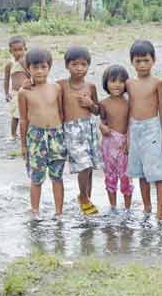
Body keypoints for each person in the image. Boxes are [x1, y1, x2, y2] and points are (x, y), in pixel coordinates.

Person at [17, 48, 66, 220]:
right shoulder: (24, 92)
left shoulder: (56, 88)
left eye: (43, 67)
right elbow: (23, 120)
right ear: (28, 68)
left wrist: (64, 137)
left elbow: (61, 113)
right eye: (35, 67)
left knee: (57, 176)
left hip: (56, 135)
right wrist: (23, 144)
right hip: (35, 137)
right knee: (36, 177)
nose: (39, 71)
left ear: (49, 67)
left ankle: (59, 212)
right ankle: (35, 211)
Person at [57, 46, 103, 216]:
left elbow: (98, 111)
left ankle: (87, 199)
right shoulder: (60, 85)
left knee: (89, 167)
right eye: (74, 64)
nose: (79, 68)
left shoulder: (90, 87)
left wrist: (90, 105)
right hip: (71, 130)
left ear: (88, 66)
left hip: (89, 129)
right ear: (67, 66)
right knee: (83, 165)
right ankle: (82, 197)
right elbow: (46, 93)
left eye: (83, 64)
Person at [126, 40, 162, 221]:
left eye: (146, 60)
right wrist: (127, 136)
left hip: (153, 128)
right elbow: (128, 109)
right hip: (135, 129)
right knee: (141, 172)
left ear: (154, 61)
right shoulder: (129, 83)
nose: (142, 65)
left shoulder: (158, 82)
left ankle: (160, 211)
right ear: (132, 62)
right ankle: (147, 207)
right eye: (138, 61)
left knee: (157, 172)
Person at [99, 65, 134, 212]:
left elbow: (132, 122)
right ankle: (112, 206)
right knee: (110, 175)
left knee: (126, 176)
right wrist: (101, 127)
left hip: (124, 143)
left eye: (121, 81)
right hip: (108, 143)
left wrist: (129, 140)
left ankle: (127, 208)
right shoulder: (104, 103)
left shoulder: (129, 102)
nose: (117, 85)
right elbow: (102, 121)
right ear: (106, 83)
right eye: (113, 81)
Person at [4, 36, 29, 141]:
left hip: (27, 92)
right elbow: (6, 79)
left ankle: (27, 133)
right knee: (15, 115)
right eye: (15, 50)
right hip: (15, 93)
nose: (18, 52)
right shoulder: (10, 64)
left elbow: (31, 74)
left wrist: (23, 63)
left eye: (20, 49)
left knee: (27, 114)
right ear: (10, 51)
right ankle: (13, 134)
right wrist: (6, 93)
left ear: (25, 49)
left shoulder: (27, 61)